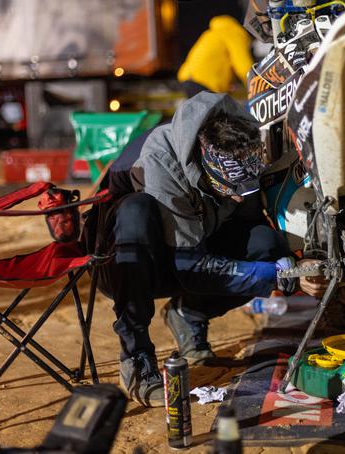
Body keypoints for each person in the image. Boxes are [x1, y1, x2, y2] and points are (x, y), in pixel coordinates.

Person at [100, 92, 327, 407]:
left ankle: (188, 313)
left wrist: (296, 261)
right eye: (230, 190)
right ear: (204, 168)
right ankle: (136, 355)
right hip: (128, 259)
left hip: (194, 241)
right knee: (135, 213)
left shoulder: (239, 145)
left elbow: (252, 224)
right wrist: (279, 276)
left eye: (246, 188)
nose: (239, 197)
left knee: (266, 244)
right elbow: (191, 268)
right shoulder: (161, 161)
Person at [177, 15, 254, 98]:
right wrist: (255, 86)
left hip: (187, 79)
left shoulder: (212, 33)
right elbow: (243, 65)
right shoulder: (235, 33)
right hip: (203, 84)